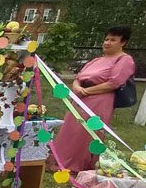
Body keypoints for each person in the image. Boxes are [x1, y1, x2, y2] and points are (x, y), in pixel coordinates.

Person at [50, 26, 135, 173]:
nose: (107, 42)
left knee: (85, 133)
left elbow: (114, 83)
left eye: (113, 40)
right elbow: (79, 77)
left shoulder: (124, 60)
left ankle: (76, 165)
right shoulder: (96, 60)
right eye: (106, 39)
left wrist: (87, 91)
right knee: (70, 129)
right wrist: (77, 87)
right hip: (80, 98)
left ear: (123, 42)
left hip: (99, 100)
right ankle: (59, 160)